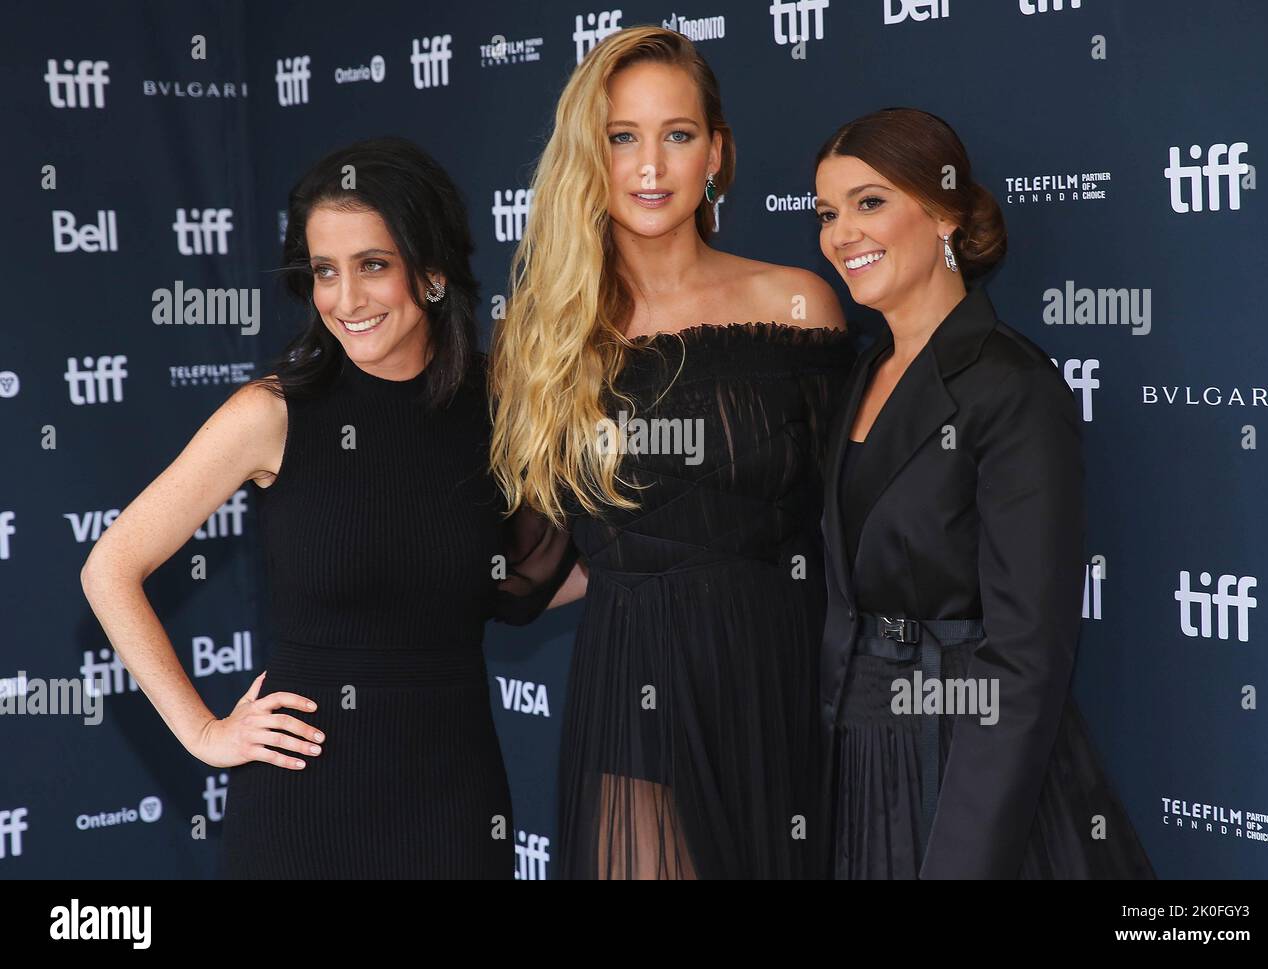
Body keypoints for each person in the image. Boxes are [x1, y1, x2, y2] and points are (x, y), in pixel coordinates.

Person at [80, 136, 574, 879]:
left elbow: (531, 574)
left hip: (456, 801)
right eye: (324, 272)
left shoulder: (499, 408)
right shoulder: (272, 413)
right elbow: (110, 567)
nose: (347, 299)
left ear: (433, 270)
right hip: (302, 804)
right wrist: (205, 731)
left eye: (373, 265)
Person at [489, 27, 854, 879]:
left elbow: (854, 517)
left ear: (716, 153)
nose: (650, 166)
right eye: (623, 137)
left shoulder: (799, 305)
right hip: (635, 681)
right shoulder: (546, 342)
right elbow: (536, 562)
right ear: (591, 155)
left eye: (677, 135)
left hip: (783, 675)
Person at [813, 107, 1155, 878]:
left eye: (870, 202)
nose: (841, 233)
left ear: (942, 213)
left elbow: (1027, 650)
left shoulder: (1013, 385)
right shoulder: (861, 376)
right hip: (862, 759)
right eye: (828, 213)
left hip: (966, 761)